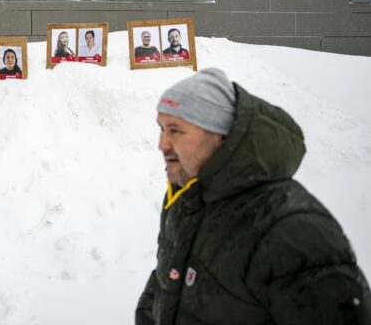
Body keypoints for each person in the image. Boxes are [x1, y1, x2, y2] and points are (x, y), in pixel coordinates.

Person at [136, 68, 371, 325]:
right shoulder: (188, 201)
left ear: (219, 135)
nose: (162, 144)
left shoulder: (292, 230)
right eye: (161, 129)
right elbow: (168, 284)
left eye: (175, 130)